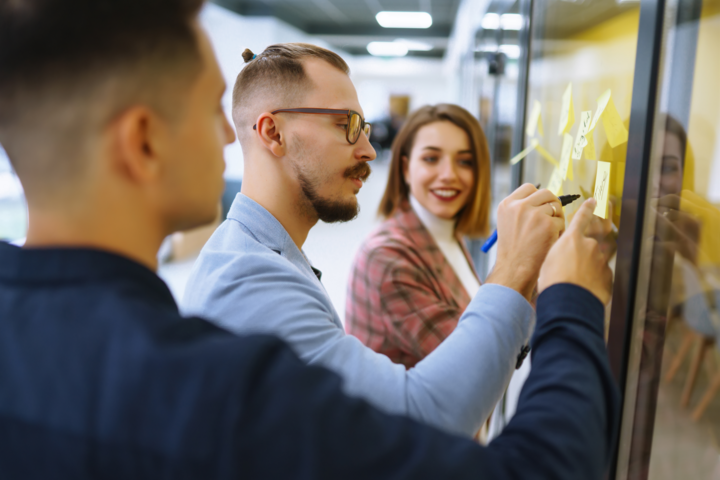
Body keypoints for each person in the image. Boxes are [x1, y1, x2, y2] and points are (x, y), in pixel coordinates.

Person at [0, 0, 619, 477]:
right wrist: (562, 297)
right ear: (143, 140)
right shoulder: (206, 373)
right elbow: (514, 458)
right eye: (212, 107)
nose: (226, 134)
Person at [183, 43, 565, 437]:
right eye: (345, 125)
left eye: (363, 129)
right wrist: (515, 267)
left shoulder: (263, 255)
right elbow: (424, 415)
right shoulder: (249, 282)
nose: (367, 150)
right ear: (273, 133)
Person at [345, 104, 493, 369]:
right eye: (431, 159)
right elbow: (479, 360)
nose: (449, 175)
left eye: (465, 161)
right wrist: (519, 260)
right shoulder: (387, 257)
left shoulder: (445, 231)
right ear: (405, 169)